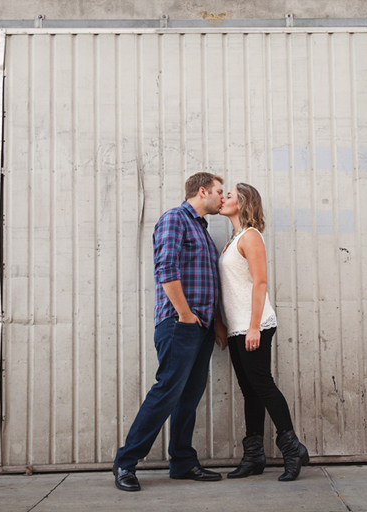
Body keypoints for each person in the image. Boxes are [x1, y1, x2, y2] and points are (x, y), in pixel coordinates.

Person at [113, 172, 228, 492]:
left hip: (201, 327)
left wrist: (215, 322)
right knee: (166, 392)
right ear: (202, 191)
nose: (223, 197)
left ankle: (182, 461)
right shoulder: (175, 219)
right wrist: (186, 315)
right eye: (219, 191)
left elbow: (207, 281)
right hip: (180, 324)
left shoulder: (201, 230)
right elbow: (166, 269)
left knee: (188, 398)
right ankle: (125, 461)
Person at [217, 183, 310, 481]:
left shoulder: (251, 236)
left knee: (263, 385)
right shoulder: (233, 239)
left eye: (228, 195)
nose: (223, 198)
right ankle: (254, 456)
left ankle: (292, 448)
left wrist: (254, 326)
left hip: (253, 326)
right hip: (237, 327)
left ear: (242, 203)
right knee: (251, 391)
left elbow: (260, 283)